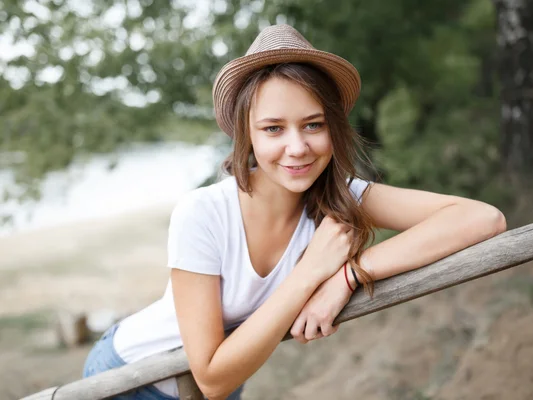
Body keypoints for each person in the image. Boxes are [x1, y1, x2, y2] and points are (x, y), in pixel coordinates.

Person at [82, 24, 507, 400]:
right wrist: (309, 274)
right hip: (127, 380)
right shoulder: (203, 213)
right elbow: (210, 377)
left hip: (230, 376)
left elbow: (483, 219)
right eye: (273, 129)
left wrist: (349, 275)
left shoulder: (340, 201)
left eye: (313, 124)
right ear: (246, 136)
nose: (297, 147)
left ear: (333, 128)